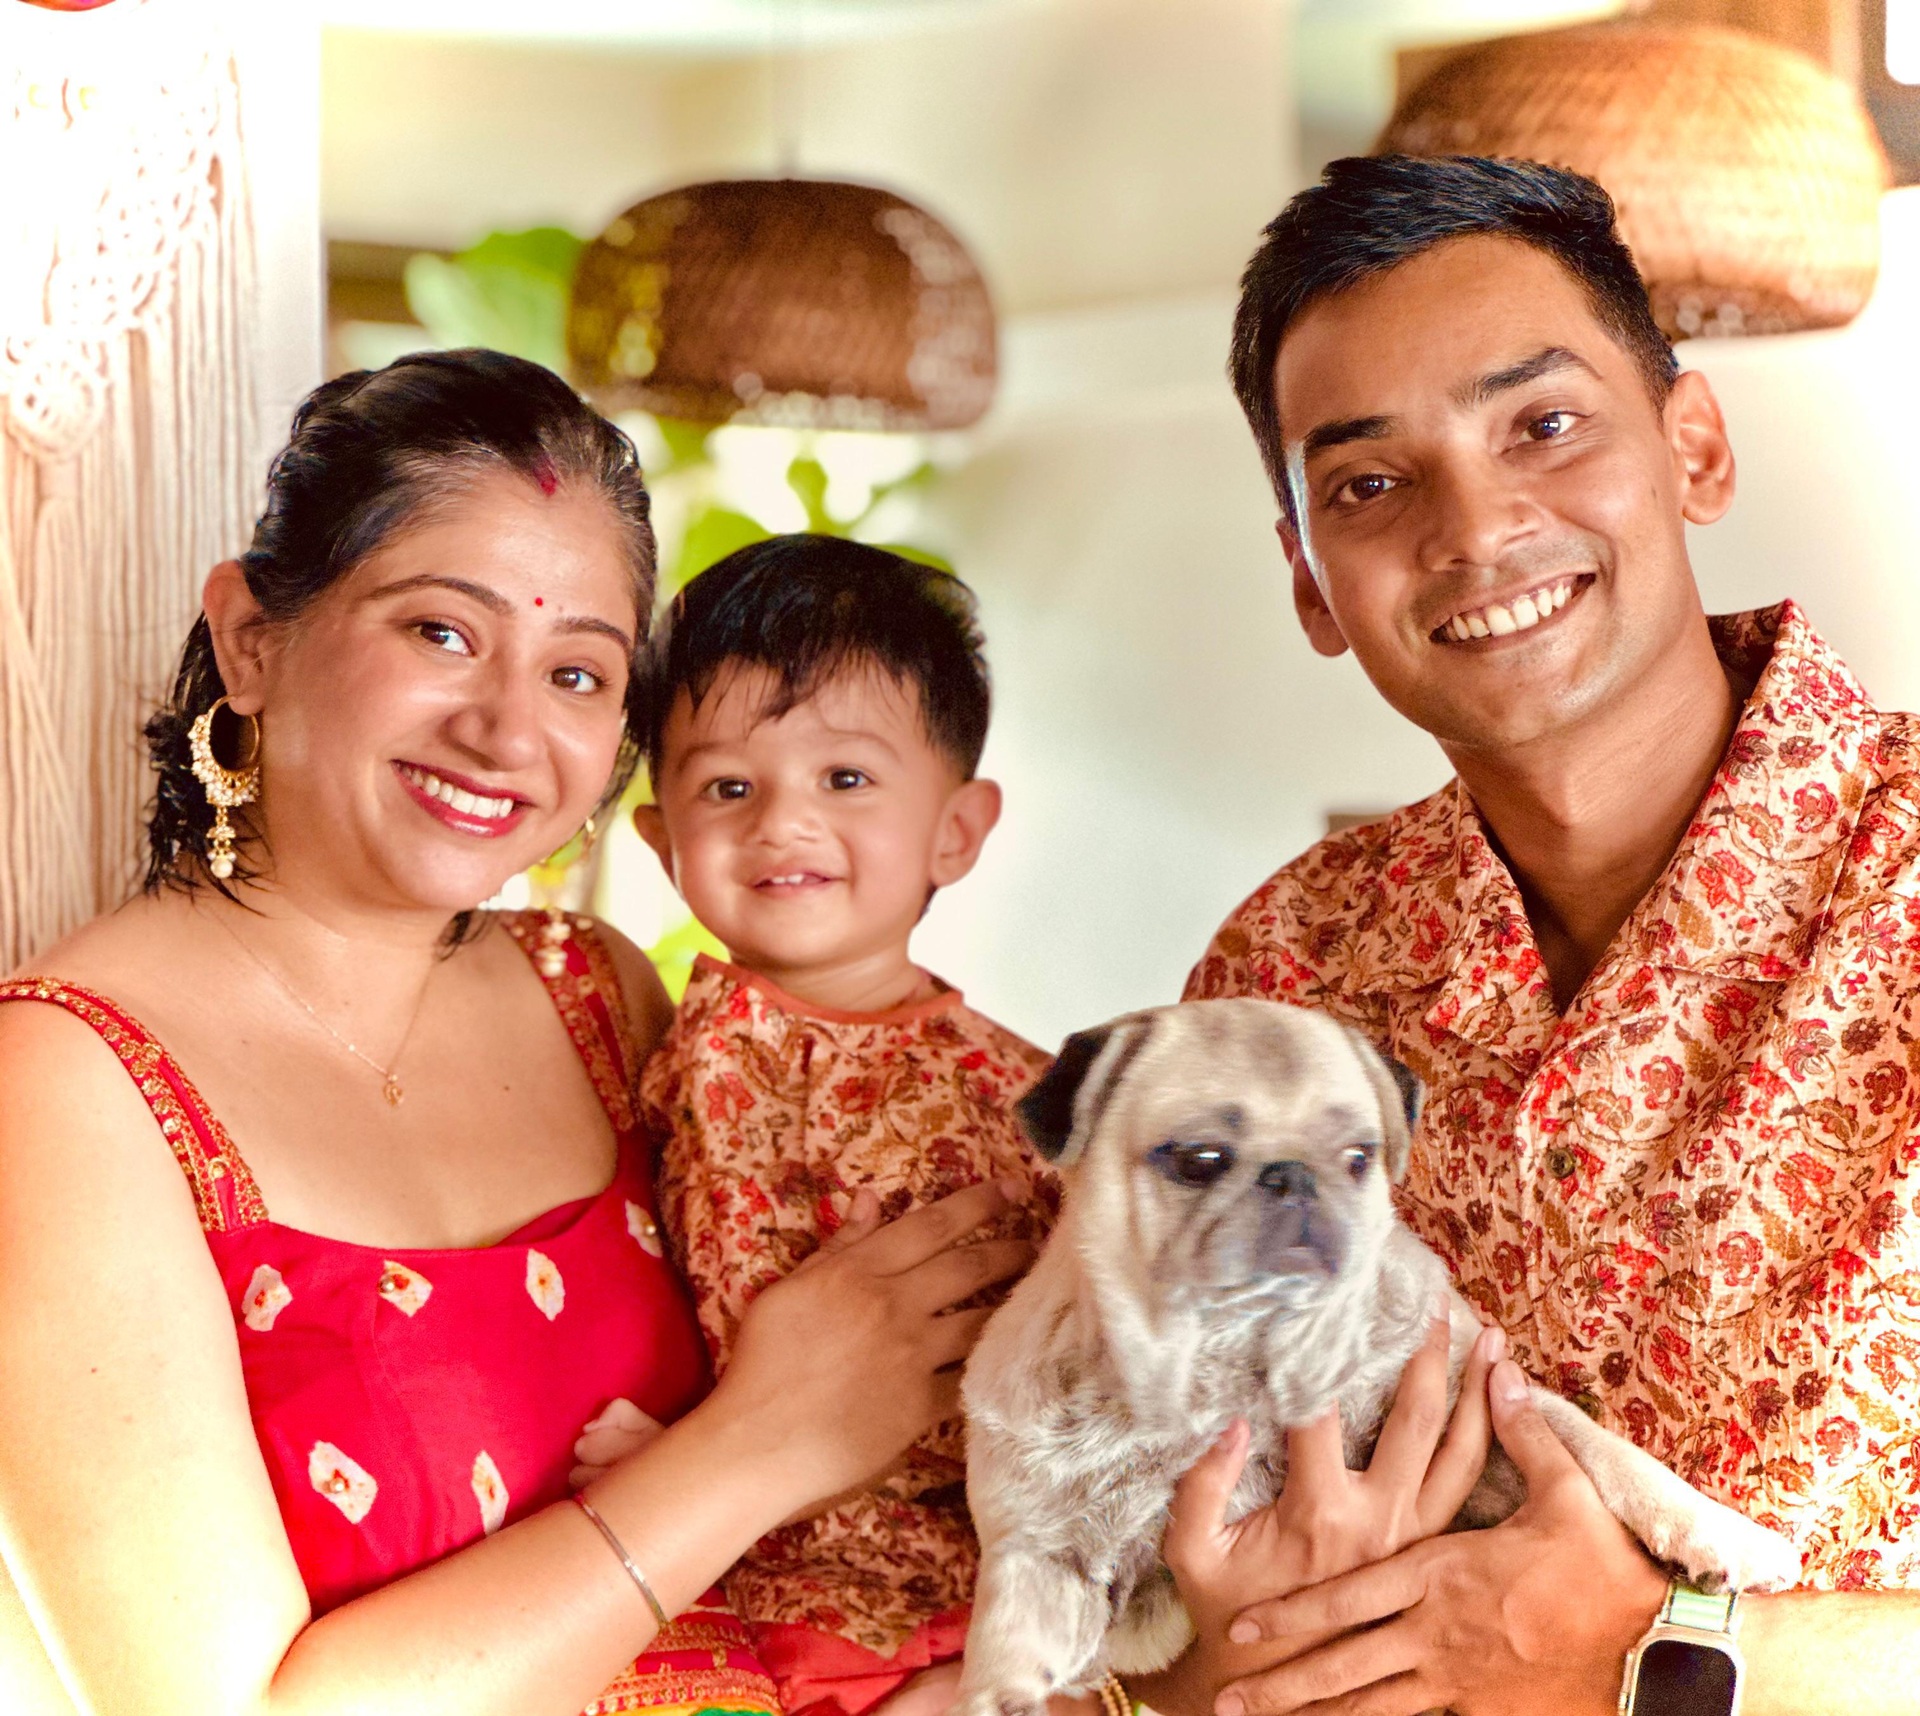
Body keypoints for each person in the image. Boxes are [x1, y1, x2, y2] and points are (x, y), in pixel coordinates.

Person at [0, 351, 1041, 1716]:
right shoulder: (67, 1083)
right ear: (253, 639)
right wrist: (764, 1443)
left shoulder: (597, 995)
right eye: (442, 632)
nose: (506, 731)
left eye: (578, 673)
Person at [1173, 154, 1920, 1714]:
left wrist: (1658, 1653)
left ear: (1693, 446)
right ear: (1311, 583)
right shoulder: (1282, 978)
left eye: (1544, 425)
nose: (1476, 527)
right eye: (1369, 485)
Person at [623, 536, 1056, 1716]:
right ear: (663, 843)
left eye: (846, 779)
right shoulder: (669, 1055)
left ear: (956, 831)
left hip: (985, 1602)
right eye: (728, 788)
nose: (783, 822)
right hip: (737, 1597)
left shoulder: (1034, 1097)